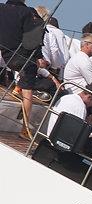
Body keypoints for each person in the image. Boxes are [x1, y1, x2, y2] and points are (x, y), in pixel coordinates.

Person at [0, 0, 42, 138]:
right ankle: (25, 129)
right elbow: (33, 39)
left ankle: (17, 88)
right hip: (22, 58)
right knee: (28, 90)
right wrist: (39, 56)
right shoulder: (28, 12)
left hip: (5, 55)